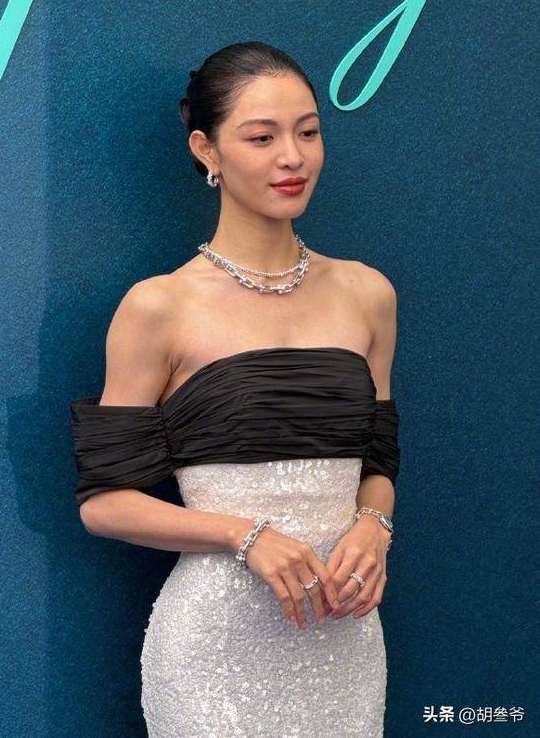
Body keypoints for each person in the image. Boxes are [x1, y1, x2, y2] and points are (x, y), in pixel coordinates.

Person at [70, 41, 401, 737]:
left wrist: (374, 526)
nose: (293, 157)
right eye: (262, 137)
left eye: (308, 132)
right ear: (207, 149)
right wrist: (244, 536)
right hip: (214, 651)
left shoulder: (367, 293)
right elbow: (104, 503)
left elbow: (376, 462)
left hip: (343, 639)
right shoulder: (158, 307)